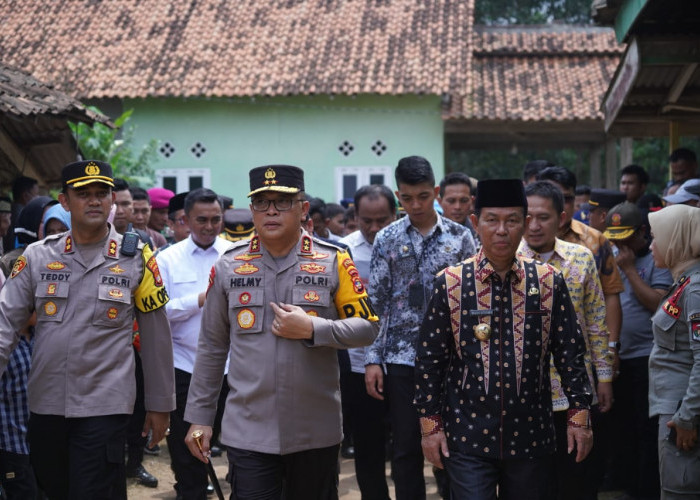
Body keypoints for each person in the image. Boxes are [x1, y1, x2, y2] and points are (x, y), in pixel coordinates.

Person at [184, 165, 379, 499]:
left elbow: (367, 328)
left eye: (282, 202)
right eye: (261, 202)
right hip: (248, 429)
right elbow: (212, 347)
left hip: (314, 430)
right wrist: (200, 418)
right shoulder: (229, 264)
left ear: (303, 209)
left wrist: (314, 328)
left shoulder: (333, 260)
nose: (271, 210)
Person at [0, 160, 175, 499]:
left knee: (91, 490)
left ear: (111, 201)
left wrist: (160, 405)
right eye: (84, 194)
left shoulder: (138, 258)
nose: (94, 201)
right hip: (46, 403)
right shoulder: (37, 257)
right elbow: (5, 322)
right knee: (53, 488)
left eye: (101, 194)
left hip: (105, 405)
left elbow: (155, 336)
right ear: (65, 202)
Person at [415, 178, 593, 499]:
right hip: (466, 434)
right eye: (492, 220)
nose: (501, 230)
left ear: (524, 224)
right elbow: (430, 360)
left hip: (532, 435)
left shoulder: (549, 282)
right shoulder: (451, 283)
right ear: (475, 222)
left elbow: (570, 354)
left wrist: (579, 418)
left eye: (511, 221)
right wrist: (431, 427)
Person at [366, 156, 476, 500]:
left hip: (453, 359)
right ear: (399, 195)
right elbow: (377, 302)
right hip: (402, 360)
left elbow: (473, 301)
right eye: (408, 198)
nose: (415, 205)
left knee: (454, 445)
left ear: (437, 193)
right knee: (405, 447)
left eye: (424, 197)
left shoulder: (461, 238)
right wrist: (373, 358)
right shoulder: (386, 238)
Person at [518, 181, 612, 499]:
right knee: (530, 482)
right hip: (522, 394)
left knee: (575, 479)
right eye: (527, 216)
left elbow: (596, 322)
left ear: (560, 217)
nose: (533, 225)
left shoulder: (581, 258)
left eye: (543, 217)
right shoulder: (507, 260)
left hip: (573, 392)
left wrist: (605, 377)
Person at [156, 188, 231, 500]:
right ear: (185, 219)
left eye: (216, 219)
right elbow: (157, 314)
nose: (210, 226)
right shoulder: (167, 260)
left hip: (233, 367)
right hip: (186, 367)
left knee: (241, 447)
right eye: (202, 220)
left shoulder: (235, 254)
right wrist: (198, 299)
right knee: (188, 450)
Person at [604, 201, 672, 499]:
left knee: (647, 430)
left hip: (647, 357)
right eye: (615, 235)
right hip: (618, 356)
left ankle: (646, 489)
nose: (620, 242)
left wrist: (630, 270)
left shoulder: (656, 260)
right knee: (621, 429)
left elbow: (658, 304)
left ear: (643, 232)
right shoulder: (609, 257)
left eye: (627, 235)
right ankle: (623, 482)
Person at [339, 184, 397, 500]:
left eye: (382, 220)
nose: (374, 229)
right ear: (355, 216)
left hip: (402, 363)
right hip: (358, 365)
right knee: (368, 444)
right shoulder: (342, 252)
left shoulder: (408, 246)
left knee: (406, 445)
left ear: (395, 214)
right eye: (366, 221)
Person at [647, 204, 700, 499]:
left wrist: (687, 418)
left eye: (658, 237)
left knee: (680, 491)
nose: (653, 245)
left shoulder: (695, 290)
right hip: (676, 408)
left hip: (683, 415)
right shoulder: (684, 281)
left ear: (677, 240)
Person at [3, 176, 38, 254]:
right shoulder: (23, 215)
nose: (37, 198)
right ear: (25, 195)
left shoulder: (12, 210)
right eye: (36, 195)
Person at [438, 172, 478, 241]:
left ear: (471, 201)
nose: (458, 207)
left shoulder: (480, 233)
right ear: (440, 202)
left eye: (464, 200)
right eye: (451, 201)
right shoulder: (428, 233)